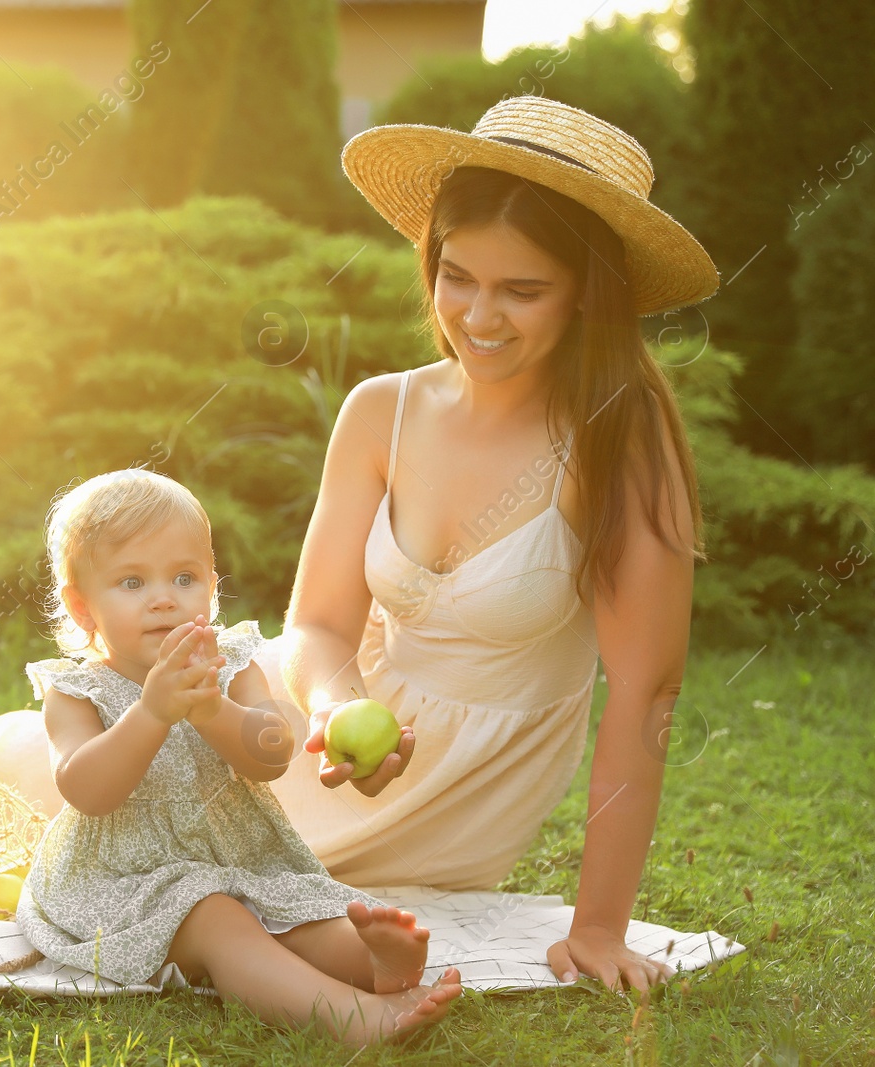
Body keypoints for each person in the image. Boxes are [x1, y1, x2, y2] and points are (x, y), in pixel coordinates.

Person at [255, 94, 719, 995]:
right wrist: (333, 708)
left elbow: (648, 691)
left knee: (204, 875)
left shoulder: (616, 441)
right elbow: (314, 623)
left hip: (459, 796)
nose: (480, 316)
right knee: (85, 787)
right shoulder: (381, 410)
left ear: (588, 291)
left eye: (523, 289)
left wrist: (598, 927)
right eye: (458, 276)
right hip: (319, 740)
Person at [11, 468, 462, 1047]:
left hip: (244, 857)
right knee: (220, 920)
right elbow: (86, 789)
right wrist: (151, 712)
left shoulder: (231, 662)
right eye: (131, 582)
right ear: (82, 608)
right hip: (130, 881)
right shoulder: (77, 691)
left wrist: (210, 711)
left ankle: (373, 963)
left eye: (184, 577)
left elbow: (270, 755)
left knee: (291, 914)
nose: (163, 599)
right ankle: (355, 1020)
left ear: (212, 588)